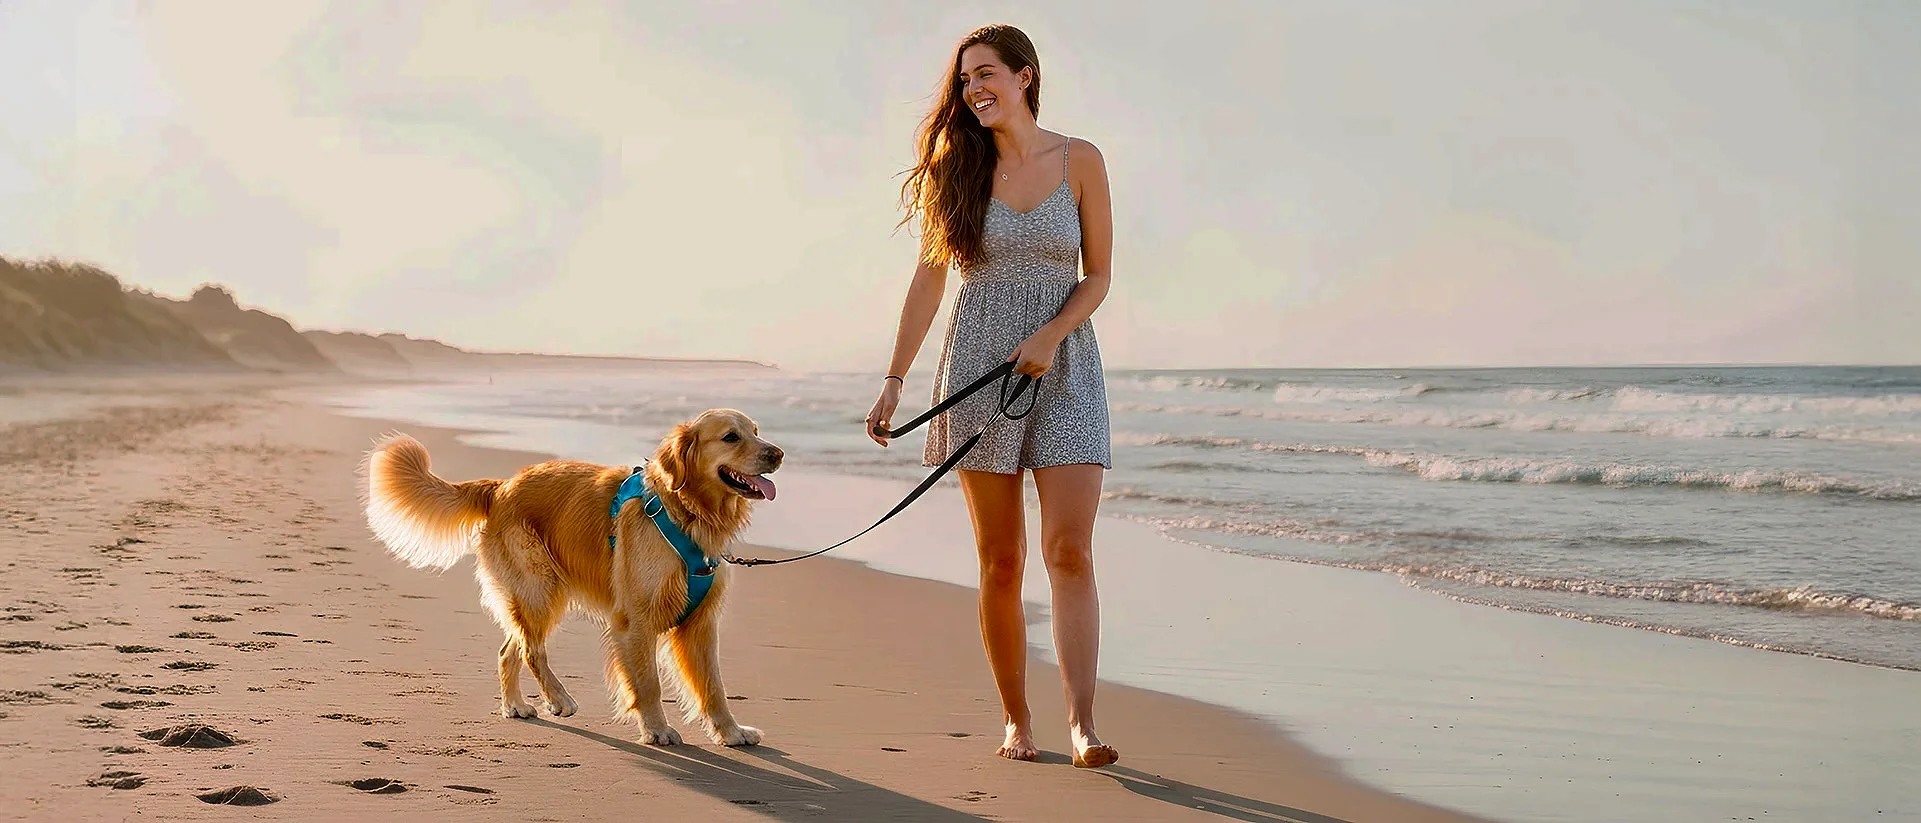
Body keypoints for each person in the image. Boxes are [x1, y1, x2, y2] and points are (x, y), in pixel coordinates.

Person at [864, 23, 1118, 768]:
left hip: (1063, 364)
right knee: (1000, 560)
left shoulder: (1081, 160)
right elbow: (929, 278)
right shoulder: (956, 169)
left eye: (985, 75)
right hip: (976, 364)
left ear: (1025, 76)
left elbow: (1098, 273)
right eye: (965, 80)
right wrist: (893, 379)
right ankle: (1017, 719)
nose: (973, 89)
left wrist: (1049, 334)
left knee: (1068, 549)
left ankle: (1082, 724)